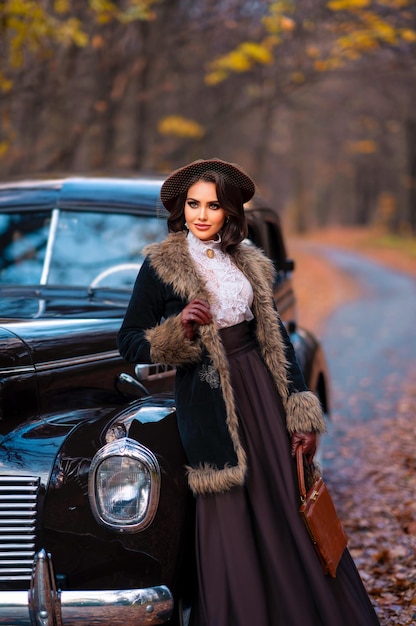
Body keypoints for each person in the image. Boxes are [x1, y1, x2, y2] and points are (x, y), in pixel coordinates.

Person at [117, 158, 381, 626]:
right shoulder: (162, 265)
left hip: (263, 392)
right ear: (181, 208)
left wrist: (301, 417)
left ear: (229, 212)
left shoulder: (250, 262)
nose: (201, 215)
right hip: (209, 402)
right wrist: (179, 330)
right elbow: (130, 340)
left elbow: (277, 342)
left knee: (283, 504)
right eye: (193, 204)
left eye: (213, 205)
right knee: (230, 512)